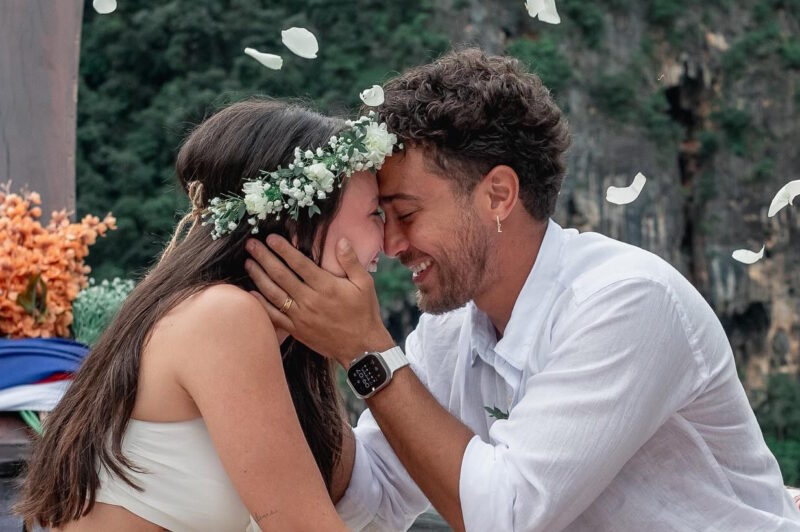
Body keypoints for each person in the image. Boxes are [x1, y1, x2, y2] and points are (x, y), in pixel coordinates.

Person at [245, 48, 800, 531]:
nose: (391, 245)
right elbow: (375, 491)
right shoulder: (449, 331)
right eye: (383, 218)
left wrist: (364, 350)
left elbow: (507, 516)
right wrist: (293, 352)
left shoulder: (627, 301)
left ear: (498, 195)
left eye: (407, 214)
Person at [15, 99, 399, 531]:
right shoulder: (222, 316)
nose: (388, 240)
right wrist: (366, 342)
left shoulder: (266, 342)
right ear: (297, 223)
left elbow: (379, 495)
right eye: (375, 213)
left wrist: (355, 346)